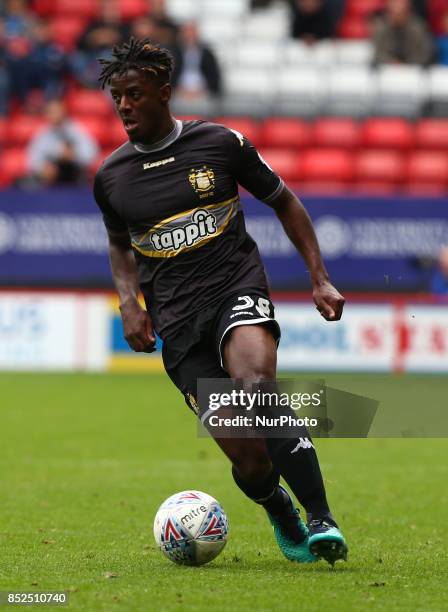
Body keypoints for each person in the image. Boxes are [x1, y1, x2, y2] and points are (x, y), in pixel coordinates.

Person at [94, 38, 348, 566]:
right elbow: (120, 244)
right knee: (251, 459)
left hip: (235, 287)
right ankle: (278, 506)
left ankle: (323, 518)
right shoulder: (111, 177)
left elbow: (284, 200)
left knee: (257, 386)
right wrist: (128, 301)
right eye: (117, 97)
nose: (124, 107)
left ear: (164, 93)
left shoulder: (220, 143)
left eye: (134, 95)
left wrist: (319, 277)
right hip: (178, 323)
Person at [27, 99, 98, 185]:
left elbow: (91, 155)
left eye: (57, 111)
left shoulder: (76, 130)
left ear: (64, 112)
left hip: (75, 180)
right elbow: (32, 160)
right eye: (51, 111)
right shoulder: (42, 134)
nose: (55, 115)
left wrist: (74, 155)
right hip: (50, 182)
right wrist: (43, 169)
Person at [372, 0, 433, 66]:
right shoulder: (381, 27)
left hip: (414, 69)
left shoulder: (418, 27)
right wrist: (391, 62)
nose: (397, 10)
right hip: (388, 69)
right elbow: (378, 52)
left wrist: (407, 64)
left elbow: (426, 52)